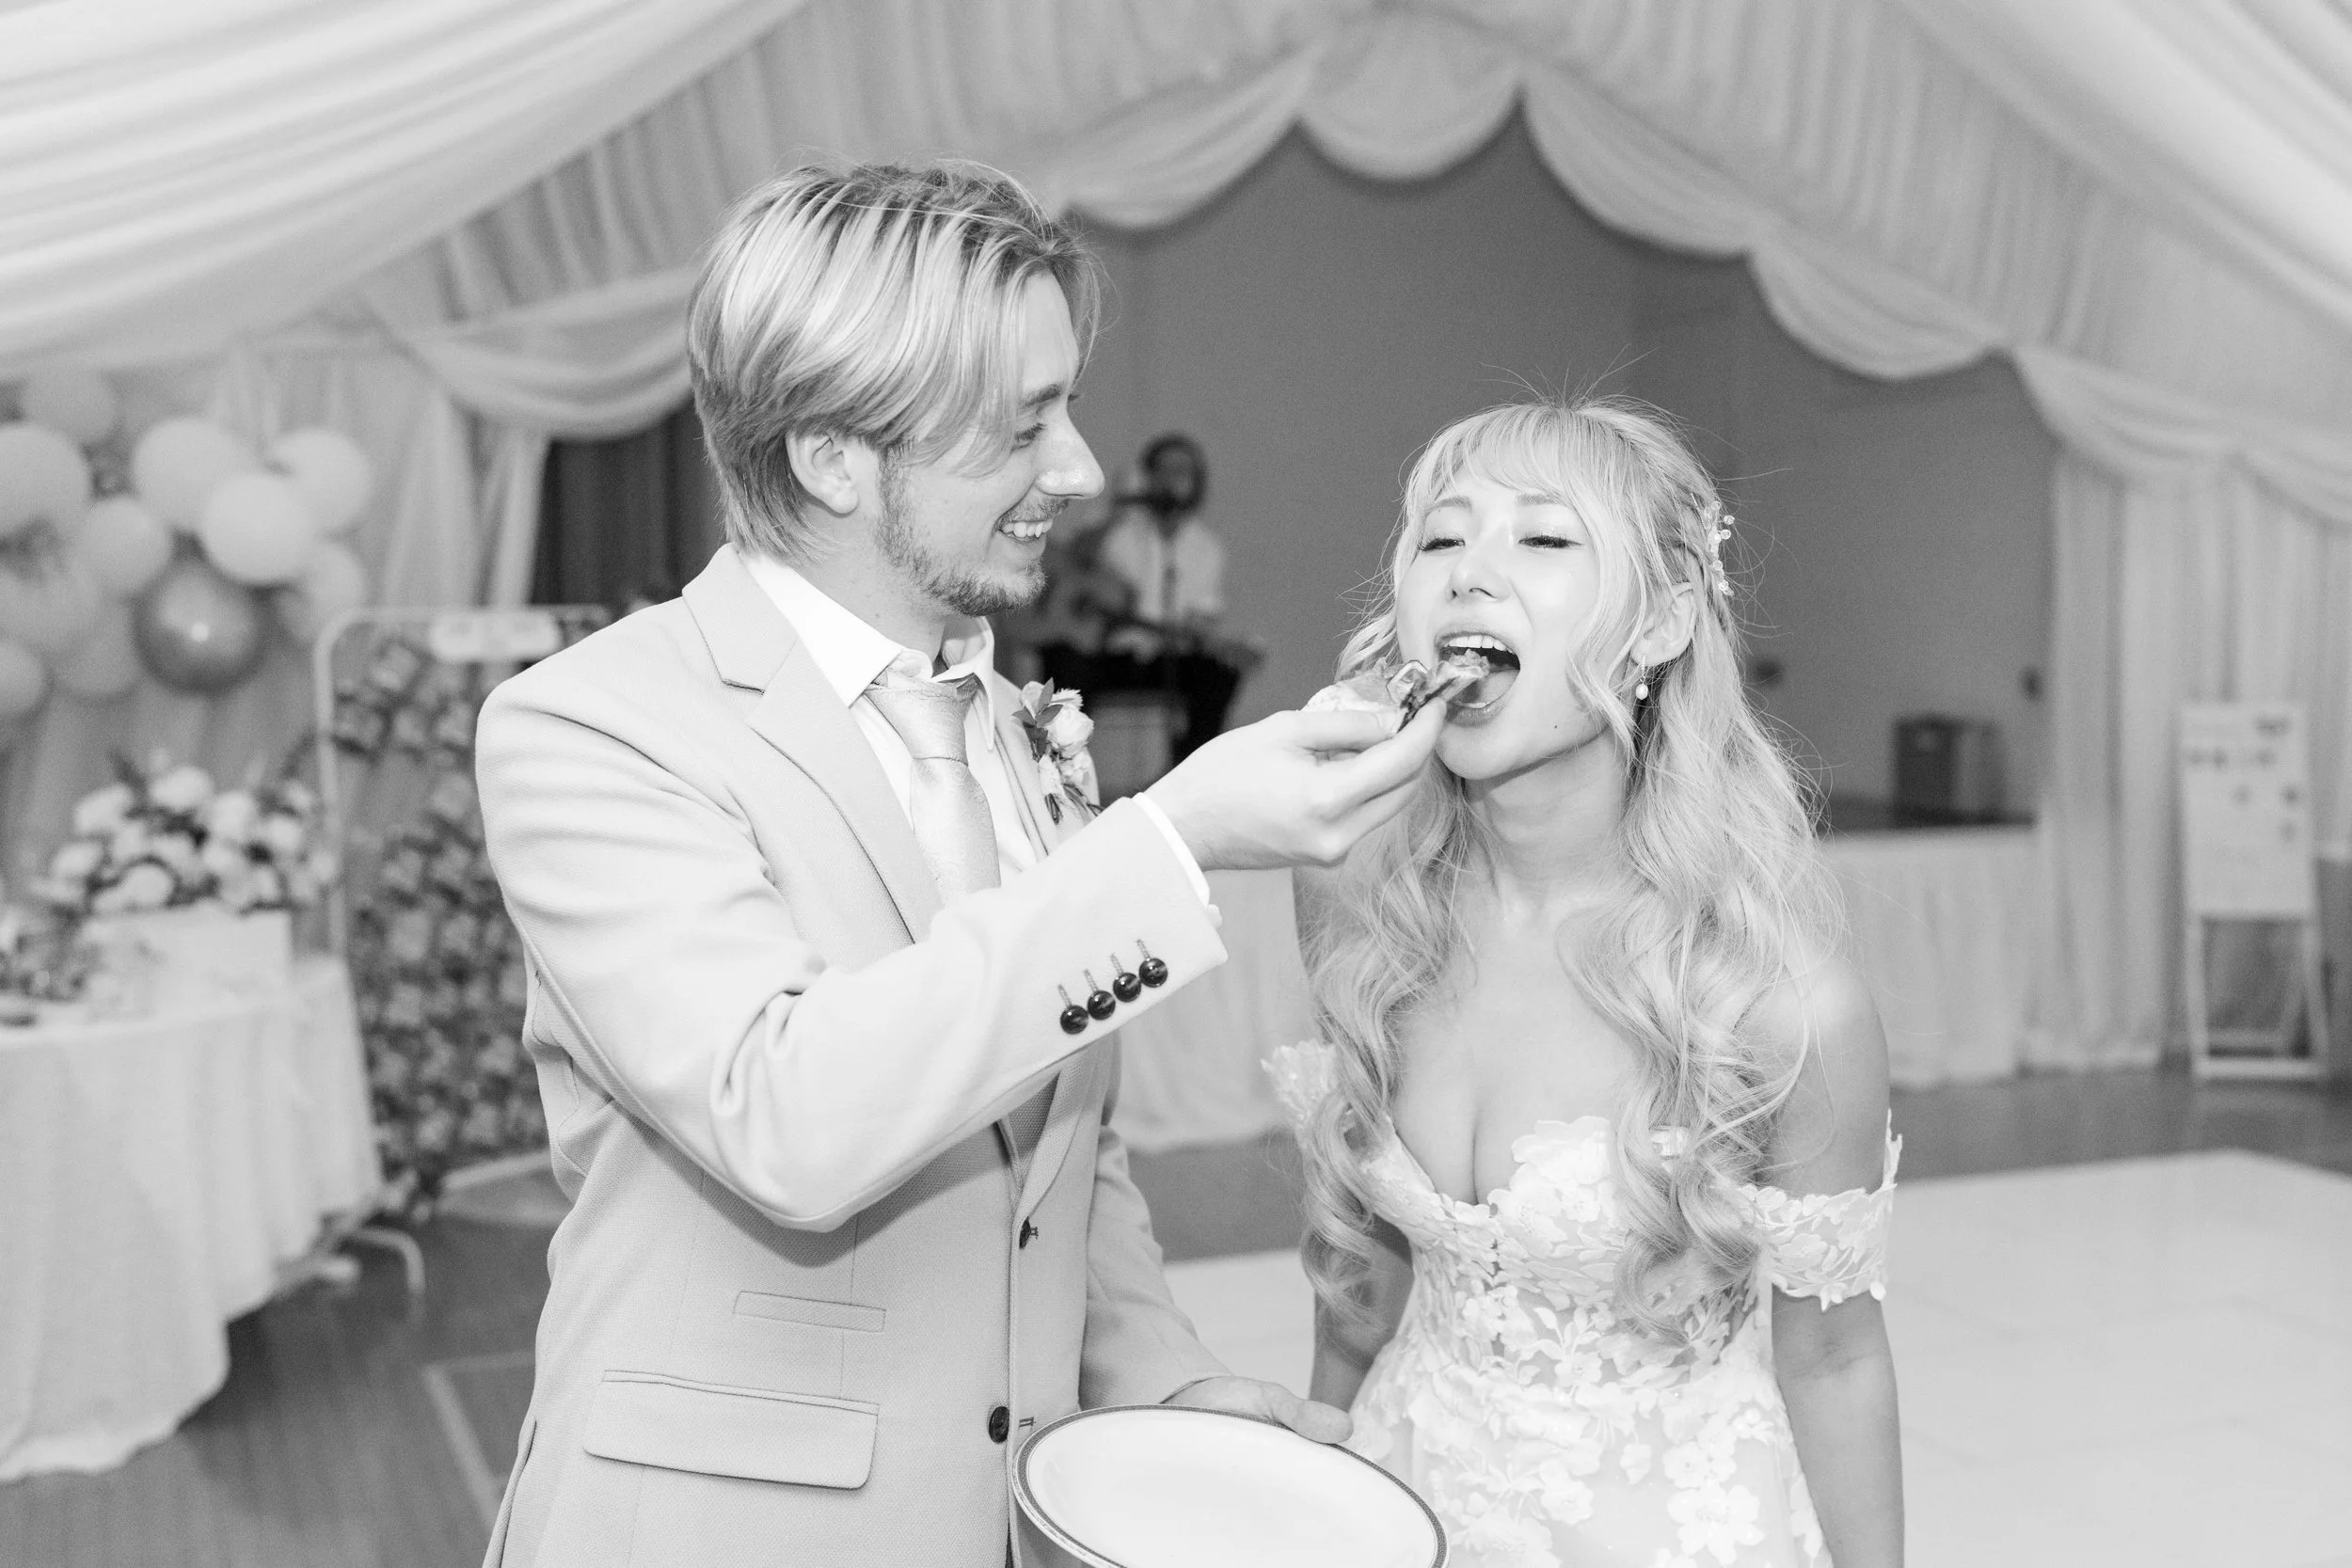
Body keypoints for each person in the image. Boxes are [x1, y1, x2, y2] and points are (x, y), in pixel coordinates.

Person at [472, 161, 1445, 1568]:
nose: (1084, 470)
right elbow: (788, 1113)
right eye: (1025, 424)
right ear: (833, 454)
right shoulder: (594, 724)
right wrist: (1165, 840)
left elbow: (1061, 1156)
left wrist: (1163, 1385)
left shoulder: (1008, 723)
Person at [1277, 397, 1902, 1567]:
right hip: (1400, 1488)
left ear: (1661, 622)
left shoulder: (1776, 998)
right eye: (1441, 537)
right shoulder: (1354, 895)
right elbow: (1360, 1262)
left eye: (1543, 539)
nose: (1471, 574)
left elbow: (1835, 1356)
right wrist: (1320, 1481)